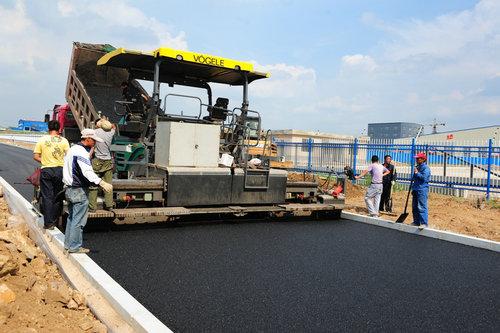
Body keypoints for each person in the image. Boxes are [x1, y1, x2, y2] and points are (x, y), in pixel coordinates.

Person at [62, 129, 113, 253]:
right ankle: (75, 247)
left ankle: (68, 245)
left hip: (69, 188)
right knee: (79, 220)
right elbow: (87, 172)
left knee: (72, 218)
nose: (95, 143)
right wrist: (101, 182)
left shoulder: (72, 149)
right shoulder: (81, 153)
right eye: (94, 140)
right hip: (78, 190)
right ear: (88, 139)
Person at [33, 120, 70, 230]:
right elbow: (68, 157)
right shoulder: (64, 141)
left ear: (48, 128)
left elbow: (35, 156)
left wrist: (44, 161)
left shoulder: (42, 140)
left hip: (47, 170)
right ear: (59, 129)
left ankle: (49, 223)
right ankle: (55, 220)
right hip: (60, 170)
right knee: (57, 196)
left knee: (47, 197)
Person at [89, 117, 116, 211]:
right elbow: (113, 126)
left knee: (94, 183)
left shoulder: (95, 132)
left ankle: (92, 207)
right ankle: (109, 206)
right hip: (108, 160)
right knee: (108, 184)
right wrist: (107, 122)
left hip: (97, 160)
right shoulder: (111, 132)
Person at [411, 152, 431, 230]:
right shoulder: (418, 167)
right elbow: (415, 178)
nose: (416, 159)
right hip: (416, 189)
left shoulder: (426, 168)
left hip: (422, 189)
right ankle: (416, 221)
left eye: (418, 158)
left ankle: (424, 223)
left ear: (423, 159)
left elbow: (424, 178)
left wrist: (417, 173)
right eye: (416, 158)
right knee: (415, 206)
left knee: (421, 206)